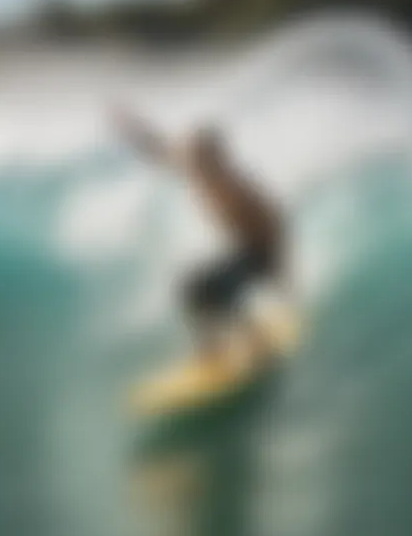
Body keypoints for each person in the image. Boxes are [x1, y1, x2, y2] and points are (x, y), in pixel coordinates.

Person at [113, 106, 288, 364]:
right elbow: (158, 150)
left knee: (214, 287)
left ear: (215, 158)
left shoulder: (235, 184)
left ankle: (257, 342)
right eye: (195, 156)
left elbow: (272, 220)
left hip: (260, 252)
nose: (194, 161)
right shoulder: (196, 170)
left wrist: (281, 268)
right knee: (191, 288)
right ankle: (214, 348)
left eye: (201, 156)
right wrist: (131, 128)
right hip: (241, 249)